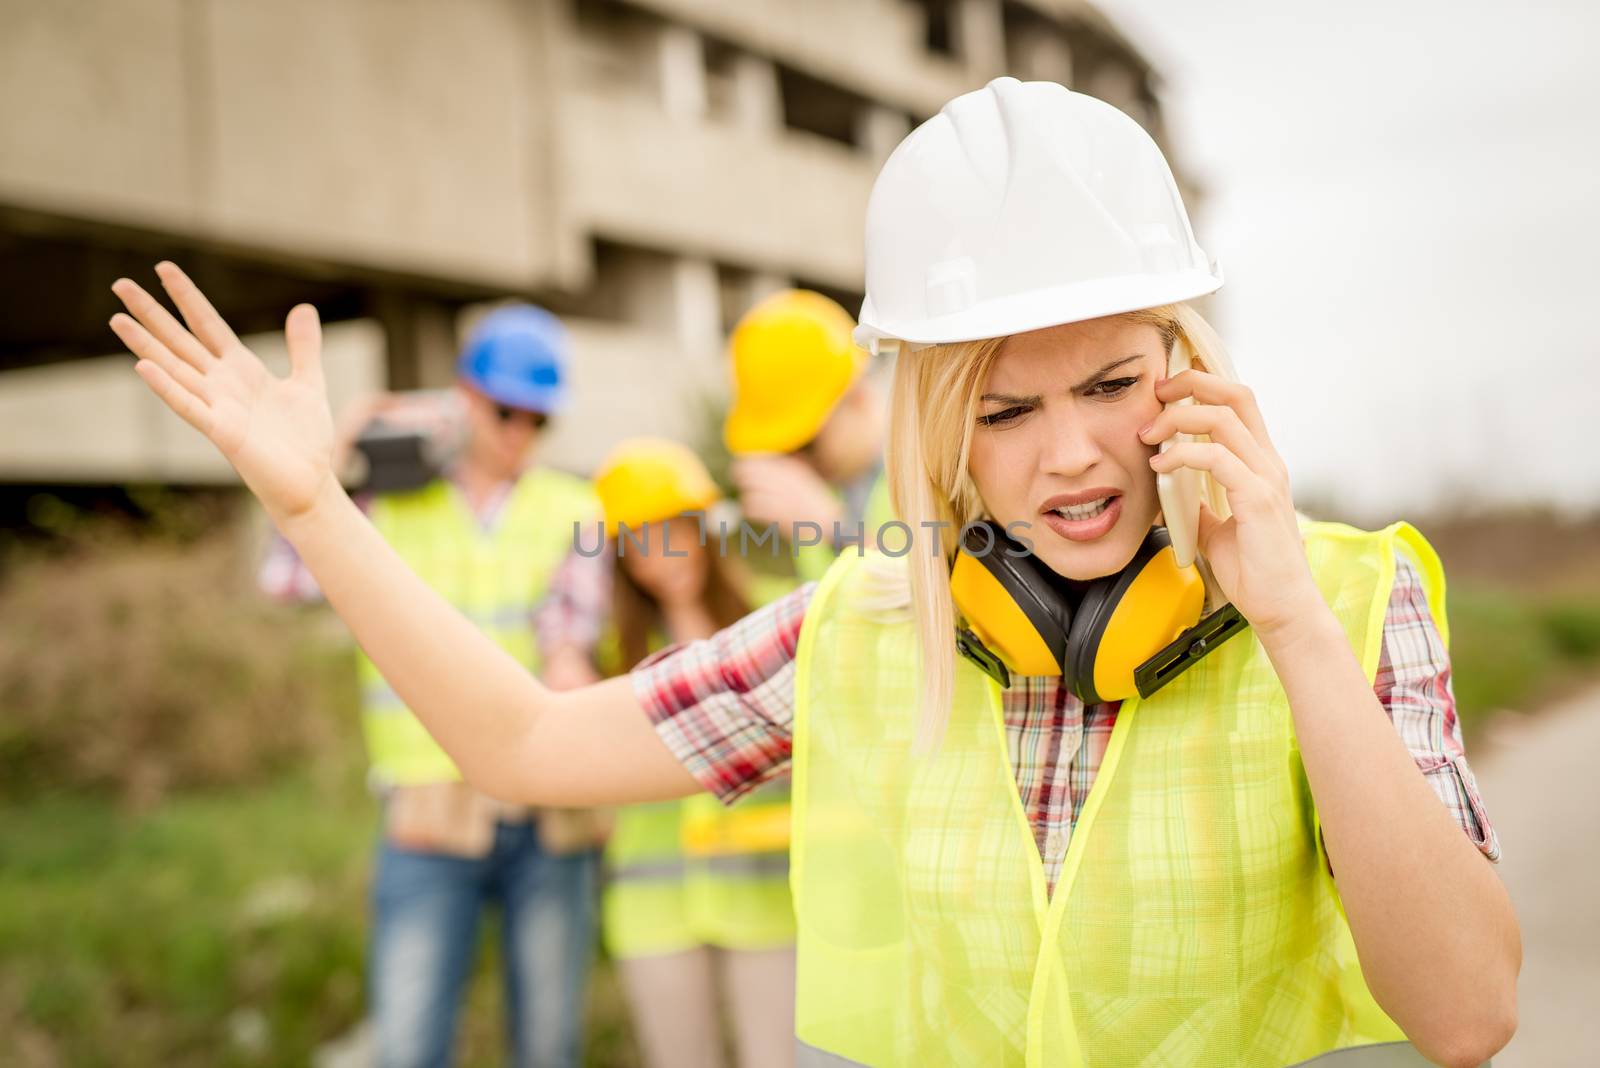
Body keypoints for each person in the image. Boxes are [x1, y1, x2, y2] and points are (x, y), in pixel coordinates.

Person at [110, 77, 1518, 1067]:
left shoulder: (1344, 602)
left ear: (1186, 370)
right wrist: (313, 506)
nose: (1074, 458)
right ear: (930, 434)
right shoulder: (870, 625)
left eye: (1110, 384)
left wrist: (1283, 624)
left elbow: (1466, 1017)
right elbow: (527, 744)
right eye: (1003, 410)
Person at [257, 305, 607, 1068]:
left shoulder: (573, 509)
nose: (519, 433)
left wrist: (574, 682)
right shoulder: (390, 503)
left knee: (551, 1046)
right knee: (409, 1045)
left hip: (548, 815)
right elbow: (284, 579)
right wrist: (337, 449)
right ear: (463, 398)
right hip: (425, 813)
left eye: (538, 420)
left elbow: (568, 639)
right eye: (506, 411)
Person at [591, 438, 796, 1068]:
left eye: (672, 531)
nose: (661, 556)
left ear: (703, 529)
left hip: (766, 902)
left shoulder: (770, 616)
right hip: (656, 909)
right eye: (639, 541)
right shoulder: (608, 652)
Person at [723, 290, 893, 598]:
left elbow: (934, 595)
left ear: (857, 396)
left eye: (807, 443)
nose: (798, 464)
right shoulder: (818, 495)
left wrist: (835, 529)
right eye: (783, 449)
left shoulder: (936, 464)